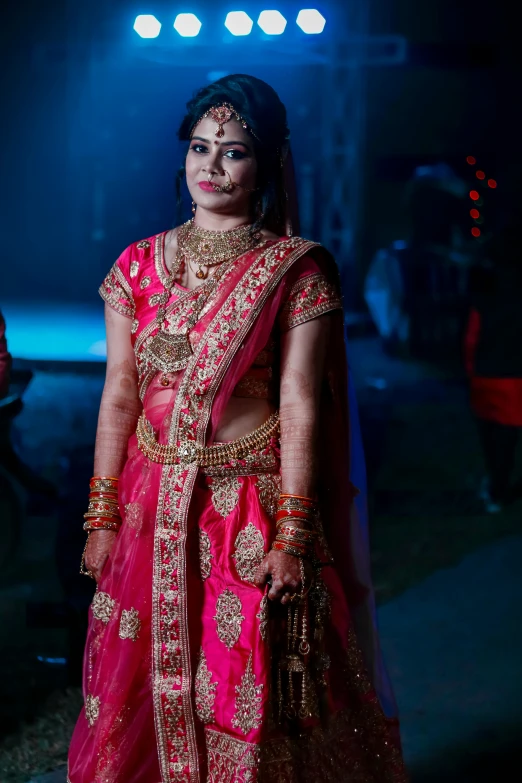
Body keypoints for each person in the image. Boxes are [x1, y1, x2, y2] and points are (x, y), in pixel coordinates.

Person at [68, 74, 408, 782]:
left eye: (234, 151)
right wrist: (102, 513)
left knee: (245, 685)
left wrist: (291, 535)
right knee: (138, 680)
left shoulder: (295, 270)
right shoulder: (136, 264)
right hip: (149, 506)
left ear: (268, 164)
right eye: (200, 147)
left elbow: (301, 403)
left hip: (246, 508)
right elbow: (120, 395)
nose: (211, 166)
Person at [465, 208, 522, 512]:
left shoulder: (485, 289)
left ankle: (497, 488)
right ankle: (498, 488)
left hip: (490, 369)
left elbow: (473, 333)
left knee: (493, 432)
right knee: (506, 435)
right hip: (509, 371)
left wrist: (471, 369)